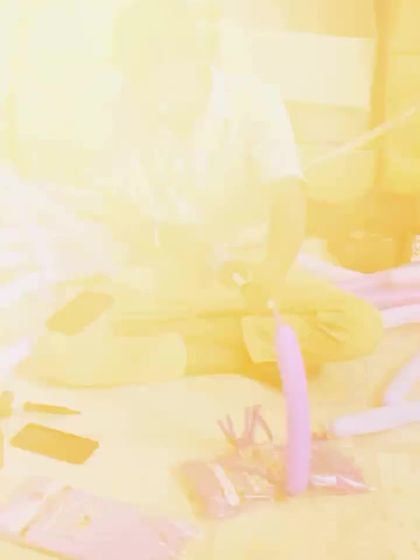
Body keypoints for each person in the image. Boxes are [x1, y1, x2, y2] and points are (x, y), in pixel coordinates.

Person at [18, 0, 383, 386]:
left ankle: (198, 346)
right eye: (140, 82)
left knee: (359, 327)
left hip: (247, 273)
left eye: (161, 79)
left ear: (195, 59)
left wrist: (270, 272)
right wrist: (164, 238)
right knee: (60, 350)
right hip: (168, 277)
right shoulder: (127, 109)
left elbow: (287, 197)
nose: (154, 97)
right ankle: (252, 353)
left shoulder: (255, 102)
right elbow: (121, 213)